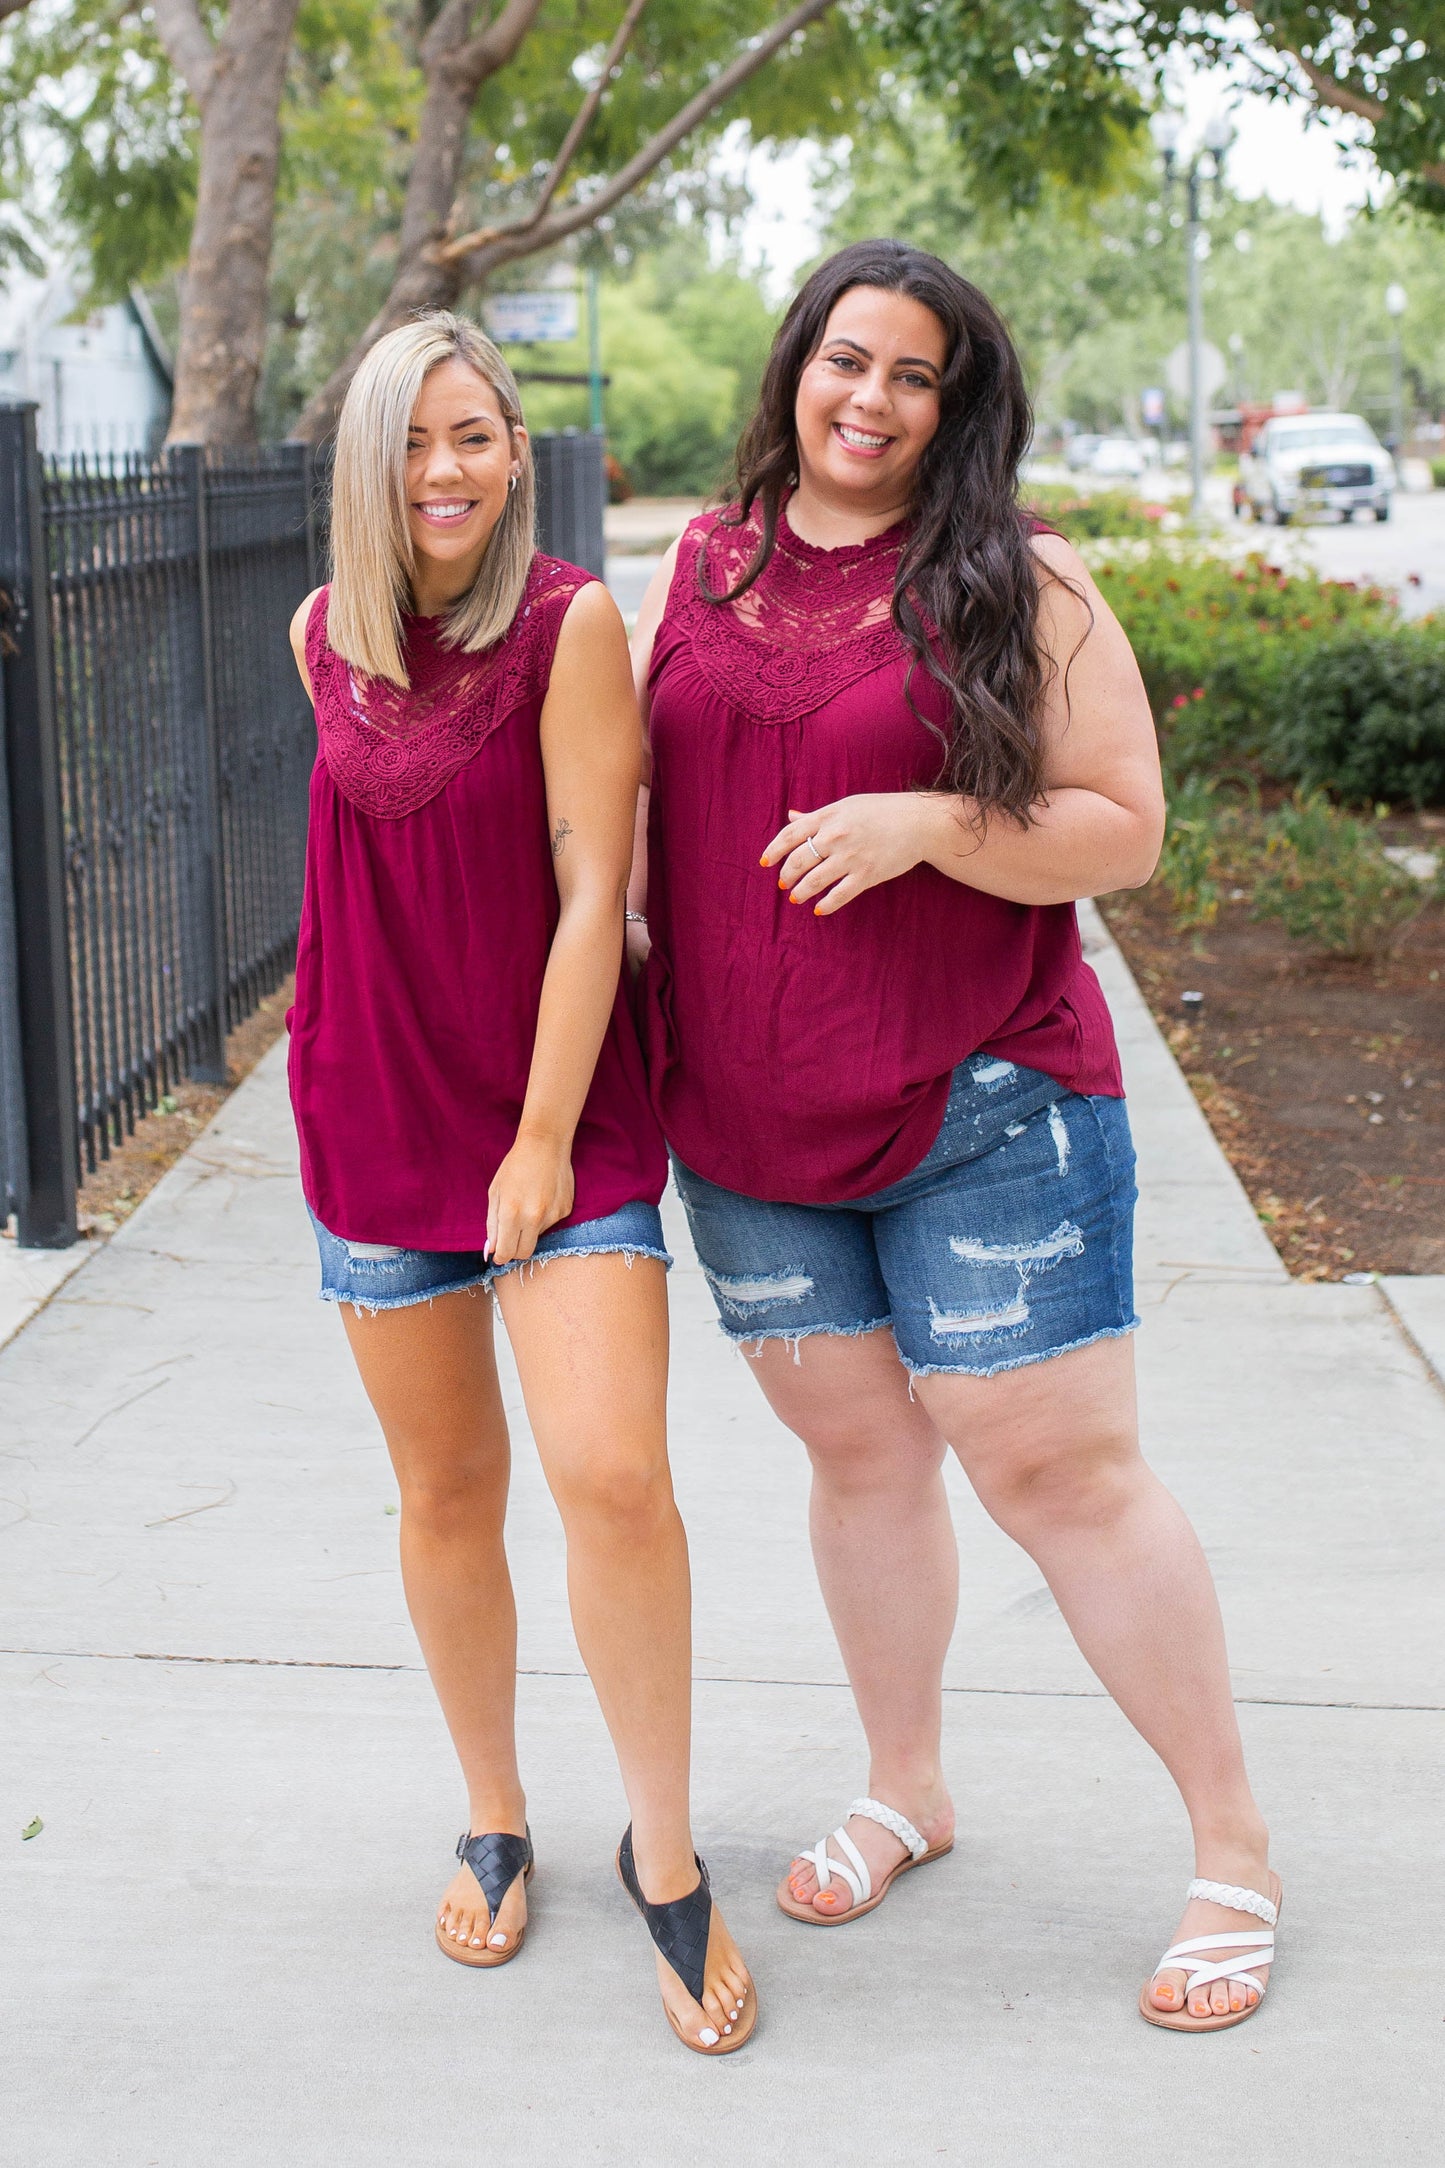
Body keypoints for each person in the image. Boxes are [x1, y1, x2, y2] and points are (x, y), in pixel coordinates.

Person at [629, 241, 1279, 2034]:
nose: (868, 399)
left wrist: (929, 819)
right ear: (793, 369)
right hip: (747, 1122)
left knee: (1056, 1475)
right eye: (846, 360)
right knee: (859, 1461)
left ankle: (1231, 1844)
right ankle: (905, 1782)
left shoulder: (1015, 576)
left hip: (983, 1097)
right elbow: (635, 825)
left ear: (954, 402)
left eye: (912, 375)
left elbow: (1121, 829)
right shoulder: (703, 560)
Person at [286, 311, 753, 2055]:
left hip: (559, 1113)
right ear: (367, 461)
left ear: (515, 449)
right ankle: (494, 1812)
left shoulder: (570, 626)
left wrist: (543, 1140)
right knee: (444, 1492)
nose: (448, 471)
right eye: (415, 439)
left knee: (614, 1477)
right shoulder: (319, 630)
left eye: (476, 434)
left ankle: (666, 1849)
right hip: (372, 1112)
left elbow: (587, 889)